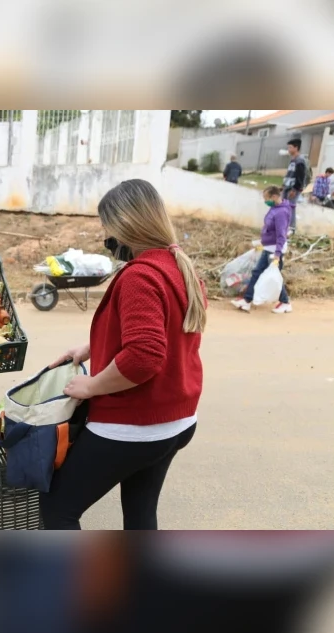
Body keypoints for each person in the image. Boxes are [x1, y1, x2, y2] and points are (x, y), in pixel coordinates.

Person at [40, 179, 205, 530]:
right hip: (177, 421)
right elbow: (168, 333)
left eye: (107, 228)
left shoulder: (139, 275)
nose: (107, 238)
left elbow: (145, 356)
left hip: (134, 424)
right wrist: (92, 347)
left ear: (125, 226)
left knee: (57, 511)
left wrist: (92, 386)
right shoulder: (180, 267)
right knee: (140, 512)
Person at [234, 186, 292, 314]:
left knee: (273, 276)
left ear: (274, 197)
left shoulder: (281, 212)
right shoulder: (275, 208)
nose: (265, 201)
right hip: (268, 247)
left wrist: (277, 253)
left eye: (266, 198)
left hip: (275, 250)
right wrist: (262, 242)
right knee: (257, 272)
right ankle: (247, 300)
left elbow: (281, 234)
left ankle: (286, 302)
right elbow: (270, 228)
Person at [282, 138, 308, 234]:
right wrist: (283, 185)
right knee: (284, 206)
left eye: (290, 147)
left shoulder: (300, 161)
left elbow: (300, 176)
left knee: (290, 207)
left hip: (293, 188)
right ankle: (284, 226)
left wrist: (295, 189)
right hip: (287, 187)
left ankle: (291, 228)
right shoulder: (293, 160)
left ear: (296, 148)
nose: (288, 149)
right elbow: (290, 174)